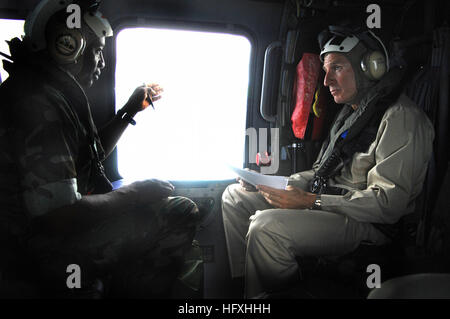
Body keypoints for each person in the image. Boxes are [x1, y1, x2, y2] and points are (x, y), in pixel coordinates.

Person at [0, 0, 199, 298]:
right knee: (181, 211)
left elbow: (86, 159)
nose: (102, 63)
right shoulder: (40, 105)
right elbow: (59, 216)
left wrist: (129, 111)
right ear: (68, 47)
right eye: (96, 52)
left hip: (39, 239)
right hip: (39, 251)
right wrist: (135, 193)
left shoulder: (47, 91)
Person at [221, 25, 435, 298]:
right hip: (331, 207)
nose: (326, 81)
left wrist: (311, 201)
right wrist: (272, 183)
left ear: (371, 67)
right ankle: (250, 292)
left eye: (336, 68)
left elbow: (387, 206)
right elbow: (323, 173)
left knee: (267, 228)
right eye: (325, 71)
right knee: (235, 198)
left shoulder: (402, 118)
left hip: (369, 224)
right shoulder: (352, 115)